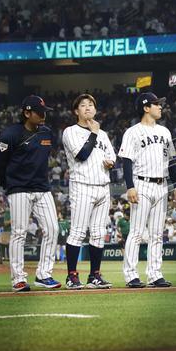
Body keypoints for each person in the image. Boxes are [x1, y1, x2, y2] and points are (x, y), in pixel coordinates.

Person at [0, 95, 62, 292]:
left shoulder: (47, 133)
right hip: (19, 190)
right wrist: (9, 185)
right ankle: (18, 278)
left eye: (44, 112)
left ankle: (44, 274)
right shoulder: (10, 134)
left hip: (42, 188)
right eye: (39, 112)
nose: (43, 116)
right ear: (27, 113)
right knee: (19, 233)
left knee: (52, 229)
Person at [119, 93, 176, 288]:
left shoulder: (165, 132)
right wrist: (130, 186)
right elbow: (126, 161)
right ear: (146, 107)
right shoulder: (132, 132)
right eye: (156, 104)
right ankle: (131, 275)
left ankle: (155, 274)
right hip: (141, 184)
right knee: (136, 232)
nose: (160, 107)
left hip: (161, 185)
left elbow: (171, 162)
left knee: (156, 234)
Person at [61, 93, 117, 289]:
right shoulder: (70, 131)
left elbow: (112, 156)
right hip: (82, 186)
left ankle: (95, 275)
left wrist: (111, 162)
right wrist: (93, 132)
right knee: (77, 232)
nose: (87, 108)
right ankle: (71, 276)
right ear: (76, 111)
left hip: (103, 186)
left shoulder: (103, 134)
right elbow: (83, 155)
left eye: (91, 105)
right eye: (83, 105)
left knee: (98, 233)